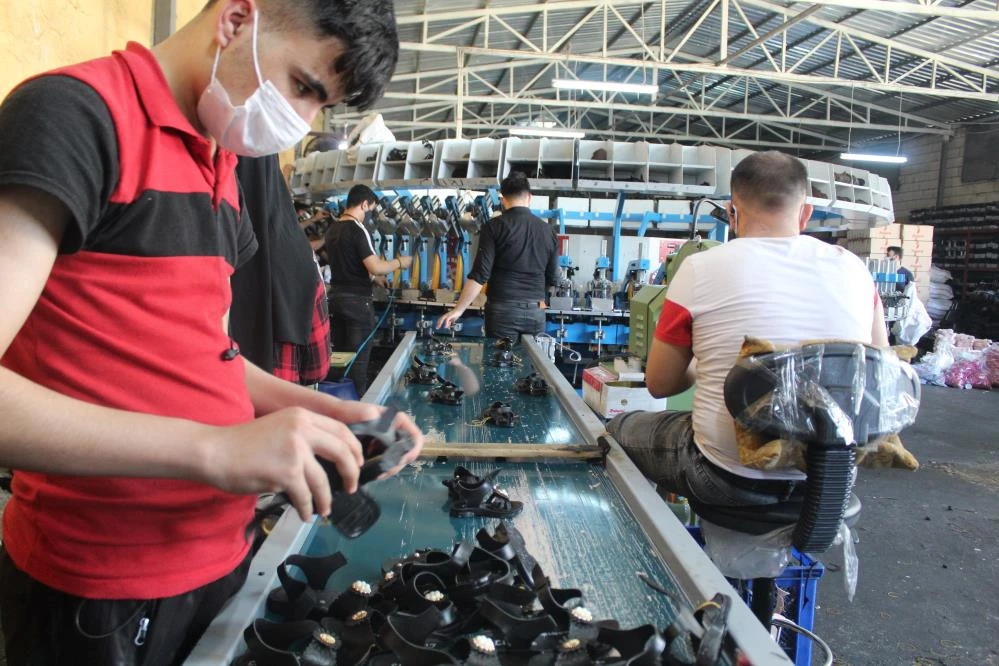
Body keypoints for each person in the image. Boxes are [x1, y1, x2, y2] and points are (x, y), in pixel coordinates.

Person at [0, 1, 423, 664]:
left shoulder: (218, 162)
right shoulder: (75, 118)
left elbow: (211, 356)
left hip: (222, 560)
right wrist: (216, 450)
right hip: (105, 588)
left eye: (320, 106)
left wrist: (325, 411)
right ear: (235, 20)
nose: (300, 121)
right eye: (302, 86)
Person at [607, 151, 888, 508]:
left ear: (731, 211)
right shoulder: (856, 270)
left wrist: (706, 362)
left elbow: (660, 384)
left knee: (617, 429)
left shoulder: (698, 267)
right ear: (806, 213)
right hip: (829, 476)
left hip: (724, 476)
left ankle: (640, 530)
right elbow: (879, 370)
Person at [232, 154, 331, 386]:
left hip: (212, 401)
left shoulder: (205, 254)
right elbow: (317, 368)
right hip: (277, 399)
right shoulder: (299, 257)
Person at [437, 172, 559, 340]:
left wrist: (458, 310)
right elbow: (553, 277)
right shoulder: (549, 231)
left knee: (500, 357)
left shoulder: (494, 227)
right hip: (535, 312)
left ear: (503, 200)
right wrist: (539, 305)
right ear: (530, 197)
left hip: (503, 313)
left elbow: (480, 274)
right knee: (530, 357)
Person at [325, 184, 412, 395]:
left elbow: (351, 263)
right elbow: (375, 266)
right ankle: (358, 408)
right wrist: (400, 262)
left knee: (339, 360)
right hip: (357, 304)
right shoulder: (357, 229)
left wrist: (375, 279)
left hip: (335, 300)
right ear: (364, 204)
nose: (369, 215)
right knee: (358, 363)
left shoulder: (333, 229)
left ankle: (337, 404)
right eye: (370, 209)